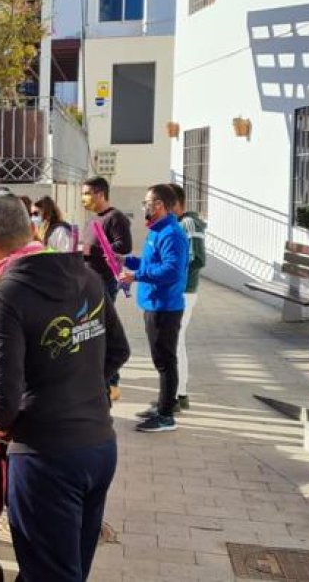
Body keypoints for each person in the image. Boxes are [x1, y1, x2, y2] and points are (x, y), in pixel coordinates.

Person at [0, 189, 130, 582]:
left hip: (46, 456)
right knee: (69, 570)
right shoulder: (85, 275)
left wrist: (9, 423)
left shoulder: (6, 294)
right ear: (32, 229)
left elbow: (2, 391)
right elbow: (118, 350)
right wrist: (78, 386)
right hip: (98, 445)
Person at [120, 184, 189, 433]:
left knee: (165, 361)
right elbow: (152, 262)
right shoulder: (157, 230)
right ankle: (162, 405)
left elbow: (171, 271)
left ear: (159, 205)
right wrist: (126, 260)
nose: (144, 207)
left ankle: (166, 415)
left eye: (147, 203)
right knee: (161, 359)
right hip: (154, 303)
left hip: (165, 306)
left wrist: (136, 275)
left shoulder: (171, 233)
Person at [80, 176, 132, 401]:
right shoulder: (93, 219)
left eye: (87, 193)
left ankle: (112, 383)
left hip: (104, 281)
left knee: (103, 330)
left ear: (100, 194)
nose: (84, 198)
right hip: (88, 281)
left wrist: (95, 249)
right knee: (91, 329)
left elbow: (124, 246)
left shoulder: (115, 218)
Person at [170, 183, 206, 412]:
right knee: (176, 343)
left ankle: (174, 397)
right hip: (179, 291)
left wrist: (174, 278)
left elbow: (198, 259)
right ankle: (179, 394)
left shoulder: (188, 223)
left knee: (174, 343)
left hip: (183, 292)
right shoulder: (180, 223)